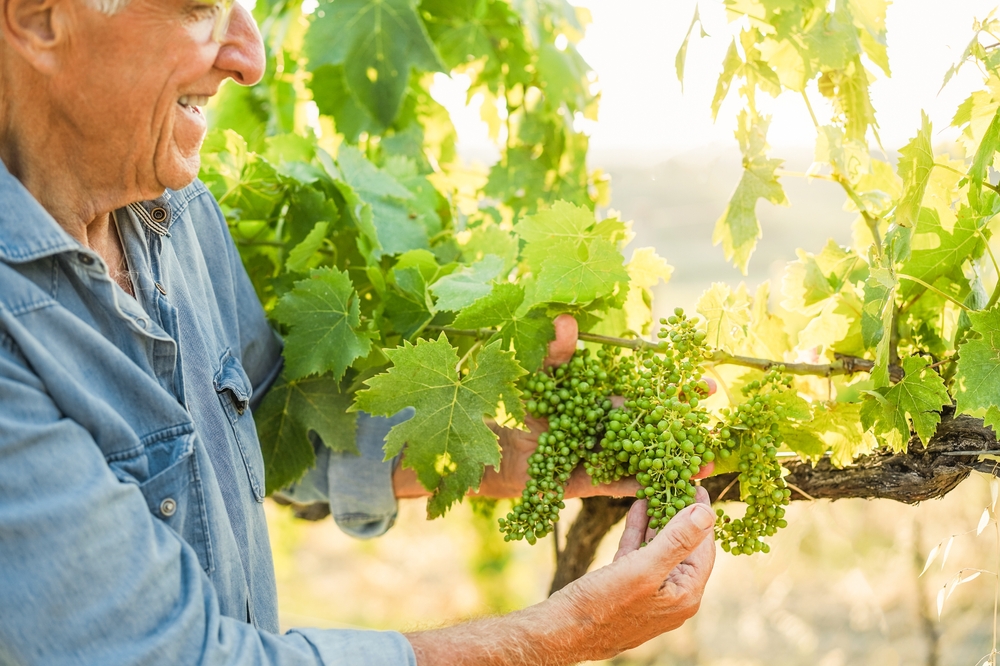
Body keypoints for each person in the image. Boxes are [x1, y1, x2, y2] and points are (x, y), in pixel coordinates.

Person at [0, 0, 717, 663]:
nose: (251, 58)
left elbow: (280, 422)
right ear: (37, 18)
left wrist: (499, 454)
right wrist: (565, 635)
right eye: (199, 9)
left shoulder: (176, 215)